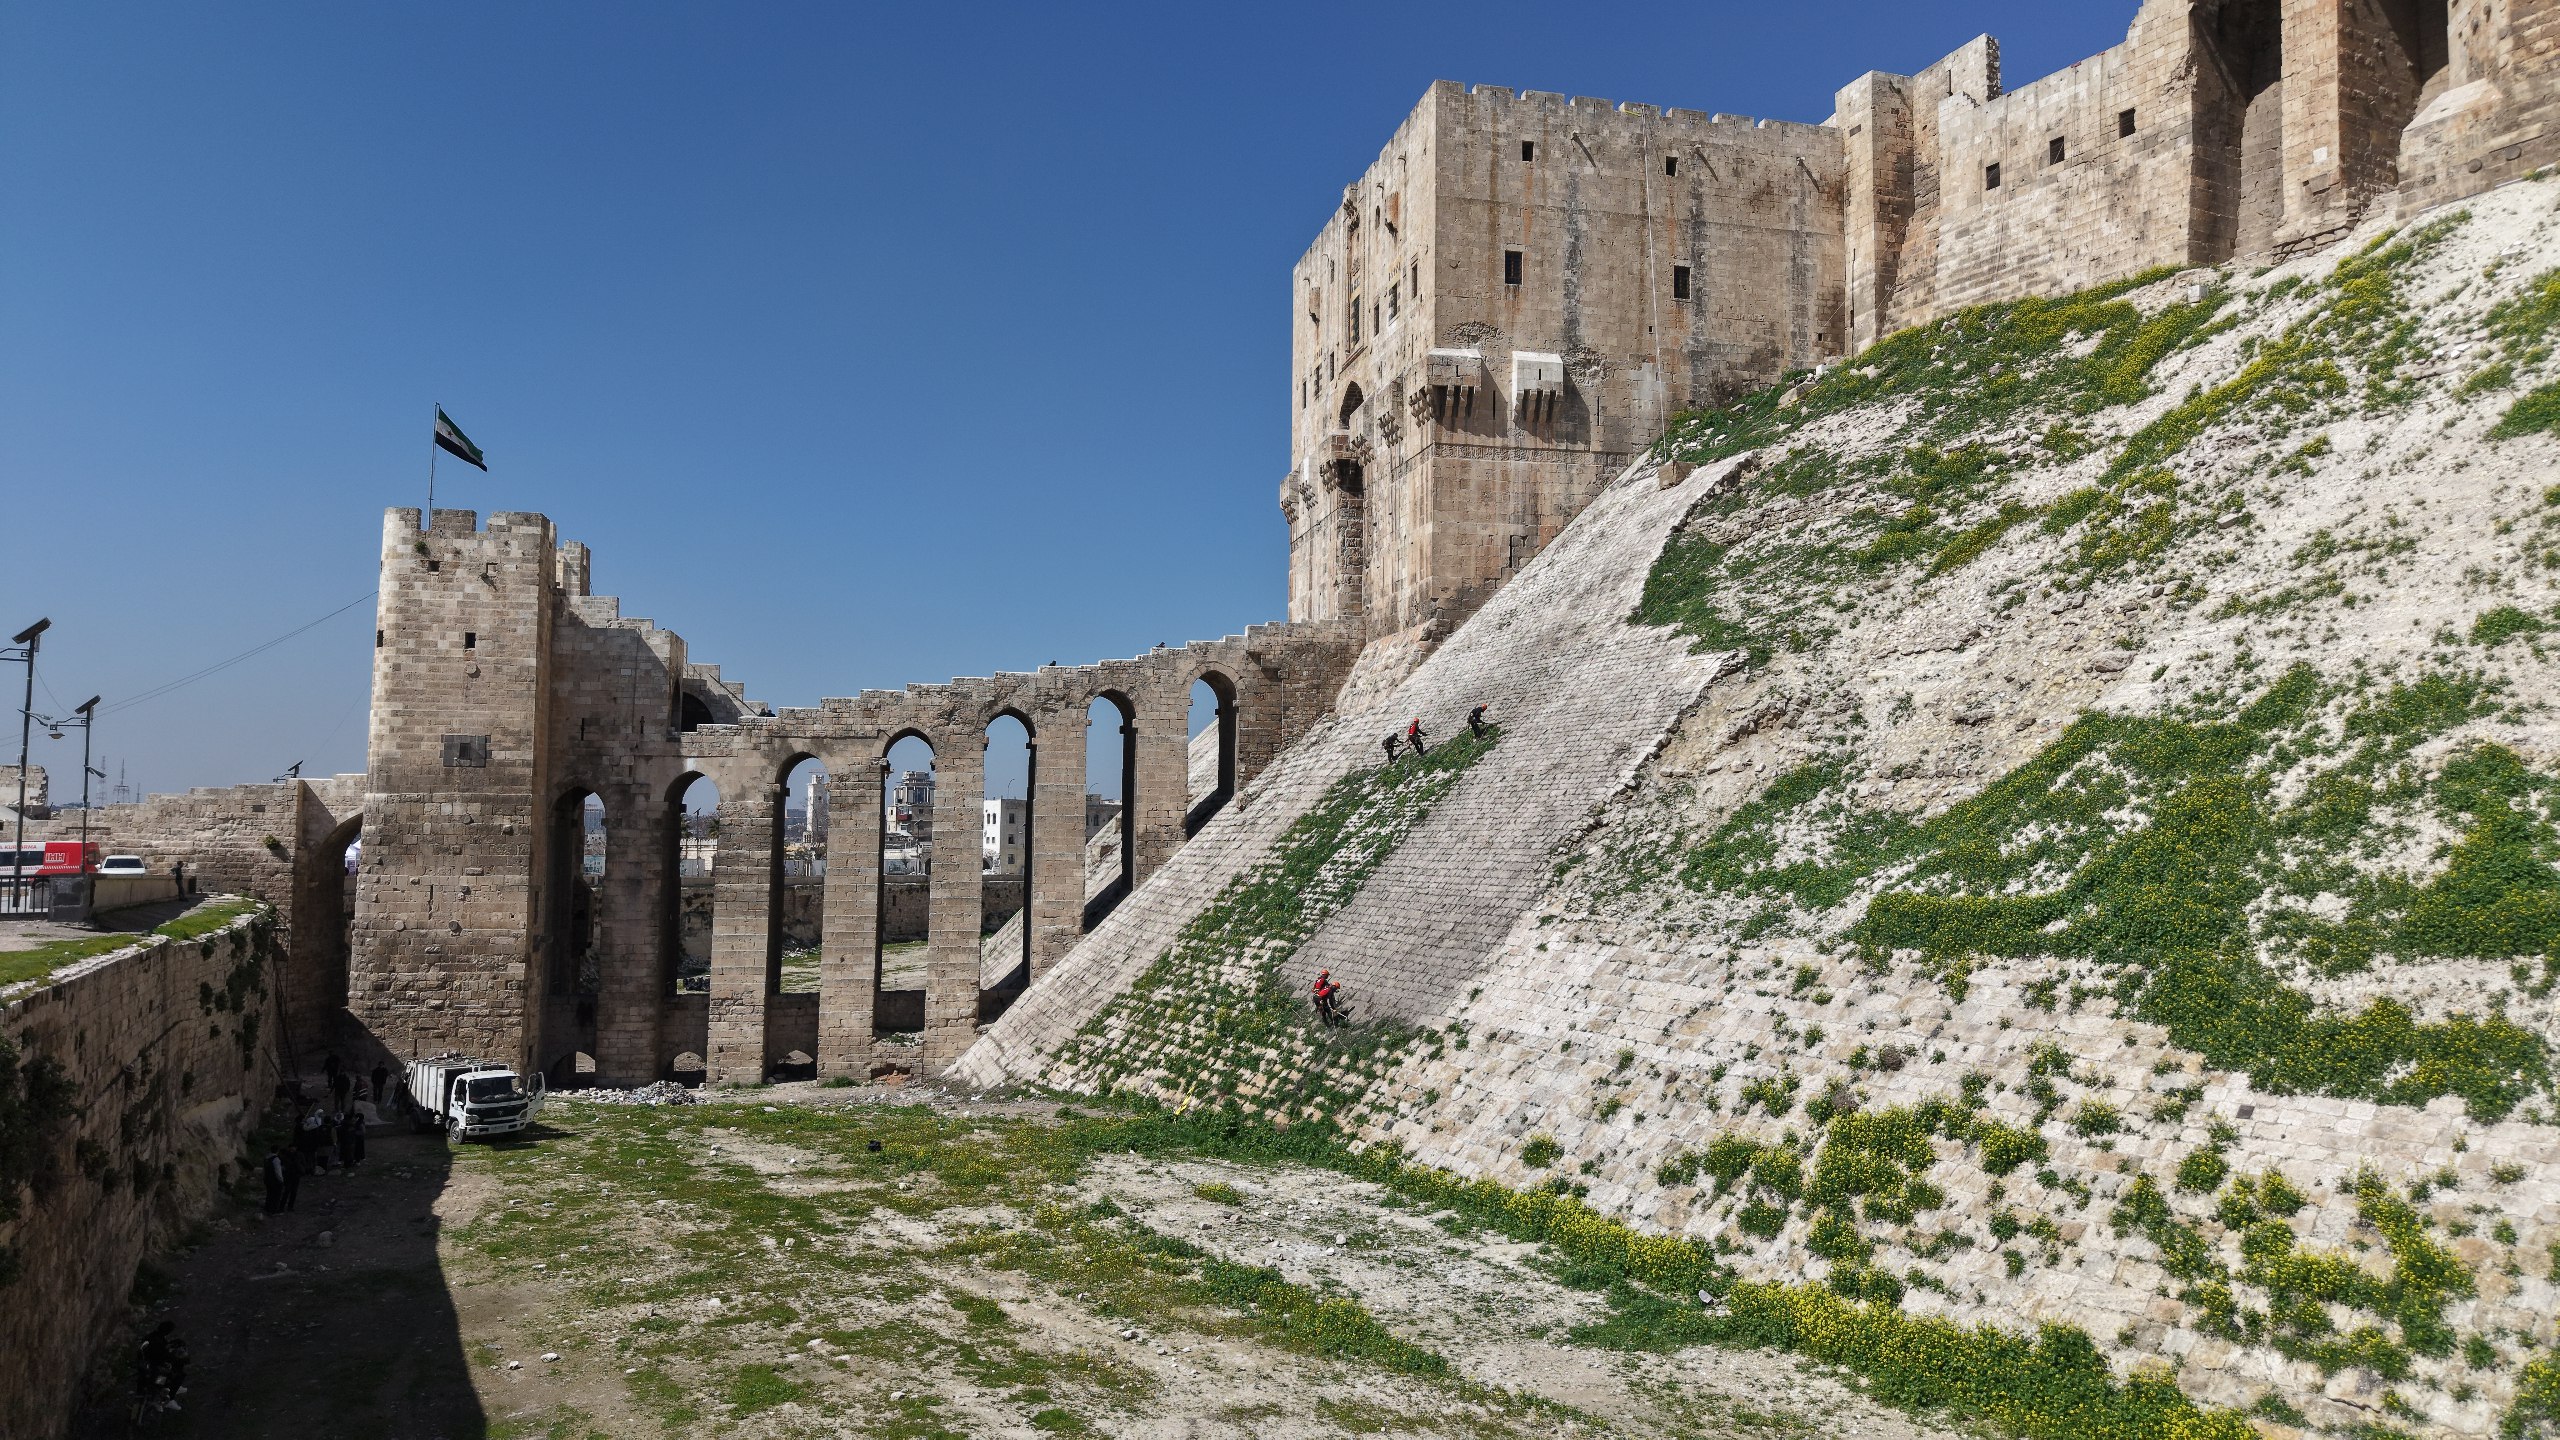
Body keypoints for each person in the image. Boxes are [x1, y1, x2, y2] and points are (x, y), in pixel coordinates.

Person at [136, 1322, 186, 1411]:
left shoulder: (152, 1336)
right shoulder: (159, 1341)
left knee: (165, 1374)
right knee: (169, 1376)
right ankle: (167, 1397)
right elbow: (160, 1355)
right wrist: (170, 1359)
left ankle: (164, 1393)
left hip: (144, 1365)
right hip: (152, 1368)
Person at [262, 1145, 289, 1214]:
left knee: (269, 1194)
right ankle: (273, 1210)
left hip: (267, 1179)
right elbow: (277, 1172)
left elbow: (265, 1169)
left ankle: (267, 1208)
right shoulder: (276, 1159)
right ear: (278, 1151)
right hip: (275, 1180)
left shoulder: (267, 1157)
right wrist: (281, 1180)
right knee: (276, 1196)